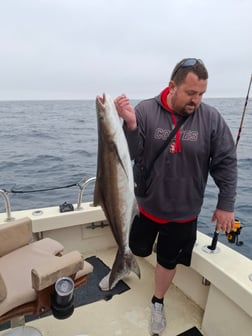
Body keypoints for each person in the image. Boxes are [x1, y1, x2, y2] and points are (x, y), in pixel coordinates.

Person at [114, 58, 237, 335]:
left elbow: (226, 161)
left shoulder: (211, 119)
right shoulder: (145, 111)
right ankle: (131, 263)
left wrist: (226, 204)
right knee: (139, 249)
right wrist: (131, 126)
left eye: (201, 94)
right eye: (191, 93)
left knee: (168, 261)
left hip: (184, 214)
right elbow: (128, 155)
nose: (197, 100)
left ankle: (157, 300)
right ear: (172, 86)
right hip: (146, 207)